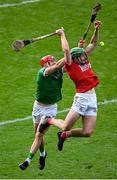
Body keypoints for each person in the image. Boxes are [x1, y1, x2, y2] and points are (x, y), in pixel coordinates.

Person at [19, 28, 71, 170]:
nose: (54, 61)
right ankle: (43, 154)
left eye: (54, 59)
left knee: (38, 134)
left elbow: (67, 59)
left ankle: (28, 160)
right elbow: (62, 62)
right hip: (37, 106)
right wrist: (61, 34)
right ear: (46, 64)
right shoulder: (44, 72)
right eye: (51, 60)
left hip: (50, 108)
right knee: (37, 134)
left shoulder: (58, 70)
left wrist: (78, 47)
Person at [47, 20, 102, 151]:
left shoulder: (82, 56)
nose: (85, 58)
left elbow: (93, 43)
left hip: (92, 97)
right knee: (66, 125)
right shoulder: (70, 64)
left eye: (84, 55)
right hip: (82, 98)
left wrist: (96, 29)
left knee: (87, 132)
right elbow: (66, 49)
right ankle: (48, 119)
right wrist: (62, 34)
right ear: (75, 58)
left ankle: (64, 135)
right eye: (82, 56)